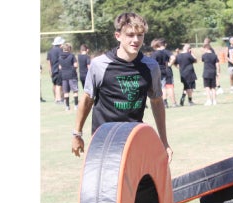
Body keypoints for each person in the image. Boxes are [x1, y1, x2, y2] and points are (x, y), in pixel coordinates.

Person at [71, 12, 173, 163]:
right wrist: (77, 134)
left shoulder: (151, 66)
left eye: (140, 35)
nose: (136, 40)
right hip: (103, 141)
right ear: (118, 36)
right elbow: (87, 100)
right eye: (130, 35)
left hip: (134, 140)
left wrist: (164, 142)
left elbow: (157, 102)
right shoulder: (100, 65)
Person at [150, 38, 178, 108]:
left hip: (159, 71)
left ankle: (165, 103)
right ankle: (174, 103)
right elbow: (173, 57)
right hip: (168, 70)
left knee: (162, 87)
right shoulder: (166, 51)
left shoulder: (154, 54)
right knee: (170, 87)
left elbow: (152, 64)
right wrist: (170, 64)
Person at [59, 42, 79, 111]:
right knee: (75, 91)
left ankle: (67, 107)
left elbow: (60, 67)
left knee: (66, 92)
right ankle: (76, 105)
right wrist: (73, 69)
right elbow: (76, 65)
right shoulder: (72, 56)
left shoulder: (60, 57)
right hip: (72, 75)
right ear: (69, 48)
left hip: (64, 76)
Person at [47, 36, 65, 104]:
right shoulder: (60, 50)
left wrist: (50, 70)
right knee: (59, 85)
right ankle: (59, 99)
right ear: (60, 44)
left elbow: (49, 61)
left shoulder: (50, 51)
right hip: (58, 70)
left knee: (54, 85)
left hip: (52, 71)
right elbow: (61, 60)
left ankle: (56, 98)